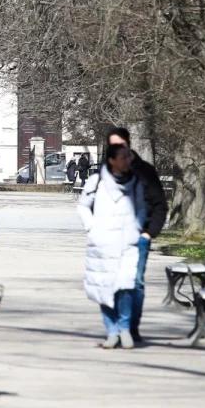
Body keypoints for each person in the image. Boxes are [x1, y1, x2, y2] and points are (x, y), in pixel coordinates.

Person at [77, 143, 146, 349]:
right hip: (103, 243)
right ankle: (112, 330)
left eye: (128, 157)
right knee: (104, 287)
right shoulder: (96, 182)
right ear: (112, 160)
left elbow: (142, 208)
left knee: (126, 287)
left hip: (127, 243)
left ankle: (124, 327)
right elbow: (83, 207)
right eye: (123, 157)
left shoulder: (135, 183)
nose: (127, 161)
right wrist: (92, 228)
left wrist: (137, 227)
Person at [104, 127, 168, 342]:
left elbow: (160, 204)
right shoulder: (105, 173)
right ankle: (115, 327)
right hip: (111, 237)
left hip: (139, 236)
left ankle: (131, 328)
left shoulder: (144, 171)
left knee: (135, 282)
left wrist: (150, 233)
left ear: (128, 144)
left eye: (120, 144)